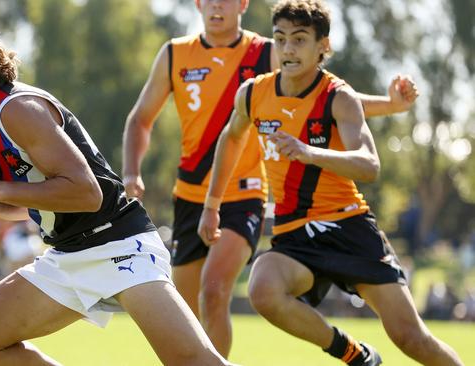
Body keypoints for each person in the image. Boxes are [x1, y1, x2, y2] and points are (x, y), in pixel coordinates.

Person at [0, 10, 228, 366]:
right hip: (67, 255)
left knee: (196, 362)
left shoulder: (18, 110)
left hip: (118, 243)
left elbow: (86, 193)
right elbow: (30, 204)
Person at [122, 0, 418, 357]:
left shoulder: (269, 50)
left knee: (213, 290)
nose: (217, 5)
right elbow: (140, 119)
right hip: (189, 196)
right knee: (183, 312)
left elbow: (326, 97)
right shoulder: (174, 54)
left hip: (244, 195)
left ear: (243, 4)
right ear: (197, 3)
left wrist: (389, 106)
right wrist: (131, 173)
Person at [198, 0, 464, 365]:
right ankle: (354, 353)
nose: (288, 49)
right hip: (295, 234)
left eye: (300, 39)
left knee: (410, 336)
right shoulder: (253, 94)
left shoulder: (339, 98)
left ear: (323, 46)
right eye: (281, 39)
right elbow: (231, 140)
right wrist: (211, 206)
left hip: (349, 227)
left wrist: (309, 153)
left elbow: (369, 166)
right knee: (263, 288)